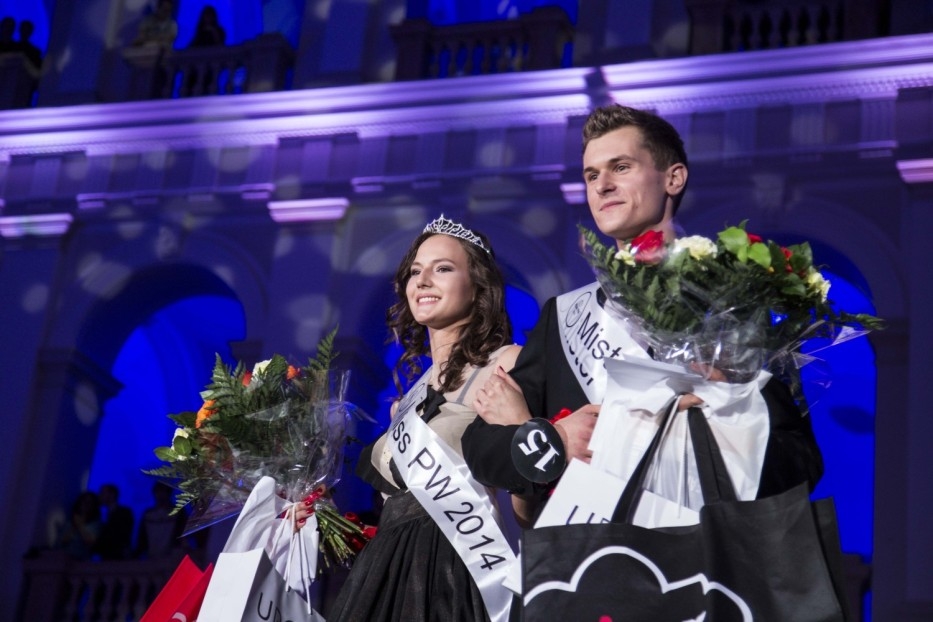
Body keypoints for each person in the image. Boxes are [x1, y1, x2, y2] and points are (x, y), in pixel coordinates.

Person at [461, 104, 824, 526]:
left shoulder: (734, 301)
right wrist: (553, 440)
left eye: (621, 167)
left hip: (703, 549)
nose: (602, 186)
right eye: (591, 175)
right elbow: (481, 446)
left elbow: (800, 464)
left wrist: (727, 413)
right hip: (592, 554)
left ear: (673, 178)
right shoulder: (564, 317)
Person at [296, 216, 522, 622]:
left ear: (478, 286)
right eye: (416, 272)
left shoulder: (506, 363)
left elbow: (529, 490)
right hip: (384, 570)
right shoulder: (409, 398)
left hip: (455, 570)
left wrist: (522, 430)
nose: (423, 281)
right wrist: (321, 515)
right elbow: (396, 508)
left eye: (443, 268)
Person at [135, 482, 188, 560]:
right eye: (158, 492)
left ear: (169, 493)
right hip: (152, 556)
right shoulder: (148, 514)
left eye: (163, 492)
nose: (160, 495)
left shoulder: (178, 513)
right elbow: (142, 537)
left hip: (172, 556)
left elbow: (182, 533)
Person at [53, 491, 102, 560]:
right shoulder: (69, 522)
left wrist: (80, 526)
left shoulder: (95, 524)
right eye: (84, 501)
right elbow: (61, 542)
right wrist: (74, 527)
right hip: (61, 558)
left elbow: (90, 542)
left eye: (89, 502)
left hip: (81, 561)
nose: (86, 504)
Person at [96, 483, 135, 560]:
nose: (100, 496)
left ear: (112, 494)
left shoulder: (124, 512)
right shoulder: (100, 513)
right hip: (105, 555)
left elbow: (123, 534)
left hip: (119, 554)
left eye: (103, 493)